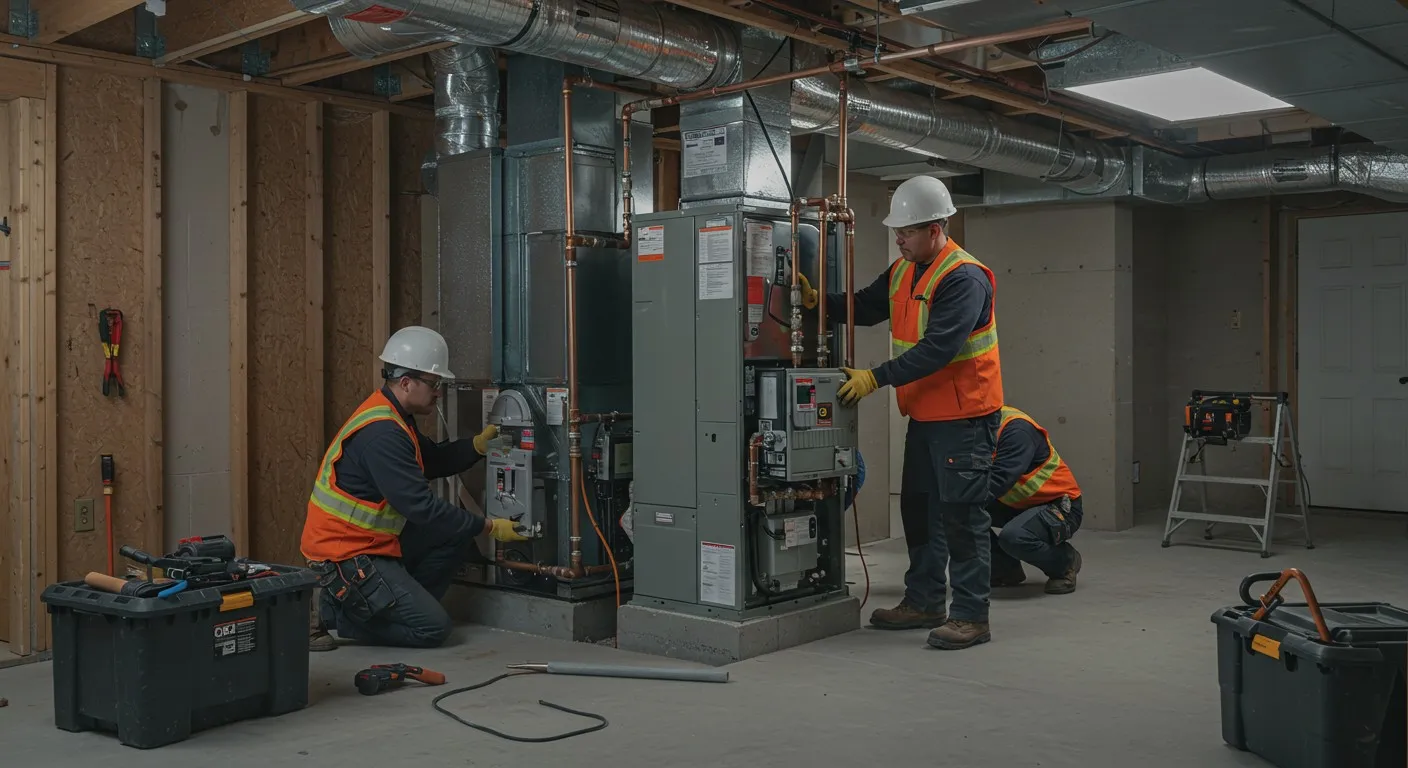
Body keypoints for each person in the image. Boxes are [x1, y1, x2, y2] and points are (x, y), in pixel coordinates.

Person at [800, 175, 1003, 650]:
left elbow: (938, 350)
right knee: (919, 511)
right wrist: (818, 303)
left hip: (965, 419)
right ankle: (925, 601)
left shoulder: (963, 278)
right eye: (897, 231)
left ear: (936, 229)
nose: (899, 239)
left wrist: (874, 377)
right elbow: (867, 307)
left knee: (961, 517)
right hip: (927, 417)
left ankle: (971, 616)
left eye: (907, 231)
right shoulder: (904, 271)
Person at [302, 325, 529, 650]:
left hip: (371, 542)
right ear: (407, 382)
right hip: (346, 555)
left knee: (454, 533)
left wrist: (477, 446)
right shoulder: (383, 434)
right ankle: (343, 616)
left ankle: (392, 605)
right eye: (434, 384)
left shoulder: (394, 415)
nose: (438, 393)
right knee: (433, 629)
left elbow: (431, 460)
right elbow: (422, 508)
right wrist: (489, 526)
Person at [986, 405, 1083, 594]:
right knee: (954, 514)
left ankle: (1065, 562)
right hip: (1016, 505)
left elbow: (999, 480)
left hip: (1059, 506)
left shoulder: (1016, 429)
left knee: (1014, 537)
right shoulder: (970, 428)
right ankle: (1004, 570)